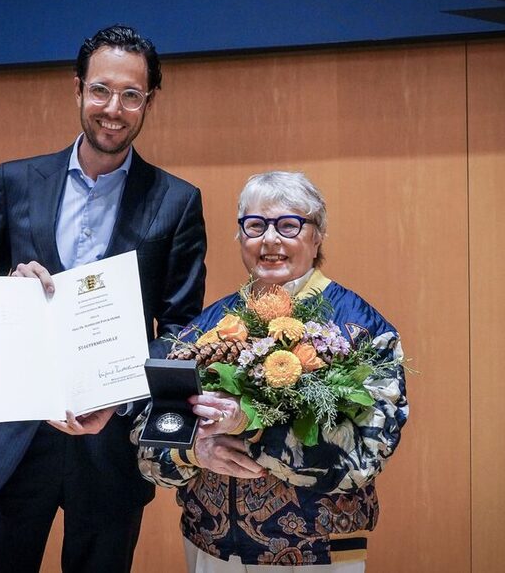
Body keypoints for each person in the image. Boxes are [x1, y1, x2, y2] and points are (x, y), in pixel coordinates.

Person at [0, 25, 207, 573]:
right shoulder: (17, 181)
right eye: (100, 90)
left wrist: (120, 402)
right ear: (77, 89)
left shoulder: (177, 202)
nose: (112, 109)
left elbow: (185, 332)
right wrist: (9, 292)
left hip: (111, 446)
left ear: (149, 102)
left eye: (130, 95)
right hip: (14, 441)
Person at [135, 171, 408, 572]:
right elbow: (147, 441)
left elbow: (367, 453)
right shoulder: (206, 327)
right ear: (240, 237)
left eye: (289, 224)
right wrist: (196, 450)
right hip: (210, 548)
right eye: (255, 225)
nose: (270, 239)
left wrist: (254, 431)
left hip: (317, 552)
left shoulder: (361, 329)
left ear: (317, 237)